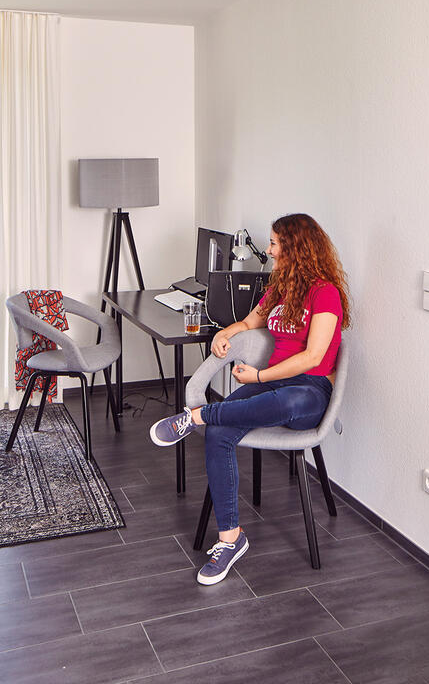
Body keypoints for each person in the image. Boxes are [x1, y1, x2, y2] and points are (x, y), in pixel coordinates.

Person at [150, 213, 350, 585]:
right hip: (269, 385)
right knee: (219, 433)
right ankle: (230, 539)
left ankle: (197, 415)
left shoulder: (325, 293)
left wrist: (258, 376)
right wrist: (225, 333)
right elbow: (250, 322)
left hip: (308, 389)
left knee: (281, 404)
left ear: (295, 248)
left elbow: (312, 357)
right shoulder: (282, 286)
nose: (270, 250)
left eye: (274, 243)